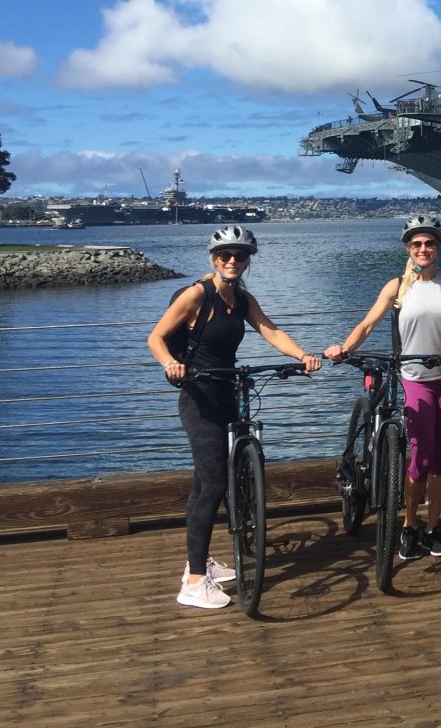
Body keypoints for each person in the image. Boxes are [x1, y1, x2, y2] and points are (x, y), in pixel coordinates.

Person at [148, 226, 321, 610]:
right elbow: (156, 337)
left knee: (207, 482)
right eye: (225, 254)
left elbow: (269, 330)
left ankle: (201, 560)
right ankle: (194, 582)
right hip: (199, 396)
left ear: (248, 261)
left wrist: (302, 355)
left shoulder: (241, 299)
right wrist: (171, 363)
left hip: (228, 390)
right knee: (212, 485)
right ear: (213, 258)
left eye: (240, 255)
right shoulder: (197, 294)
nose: (232, 261)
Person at [324, 214, 441, 562]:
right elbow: (368, 323)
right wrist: (345, 348)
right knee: (420, 456)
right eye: (417, 244)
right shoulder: (397, 287)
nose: (423, 249)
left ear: (438, 247)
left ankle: (433, 526)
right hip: (415, 379)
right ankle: (409, 525)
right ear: (408, 248)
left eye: (430, 243)